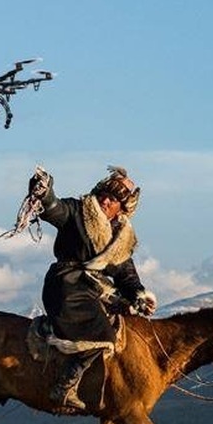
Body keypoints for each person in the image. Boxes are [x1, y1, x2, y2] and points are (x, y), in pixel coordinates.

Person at [30, 165, 157, 410]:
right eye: (105, 194)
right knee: (103, 335)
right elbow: (55, 208)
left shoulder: (120, 237)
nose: (106, 200)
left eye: (114, 198)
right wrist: (45, 193)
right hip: (67, 285)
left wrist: (139, 295)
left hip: (96, 287)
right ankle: (64, 386)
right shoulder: (77, 211)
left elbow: (125, 274)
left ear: (123, 207)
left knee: (125, 316)